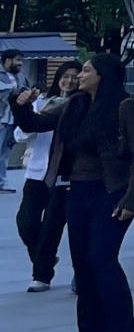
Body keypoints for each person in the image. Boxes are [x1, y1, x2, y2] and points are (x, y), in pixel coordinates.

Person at [10, 54, 134, 332]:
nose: (79, 75)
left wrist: (132, 199)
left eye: (86, 70)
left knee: (102, 257)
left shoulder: (126, 107)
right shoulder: (75, 104)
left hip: (111, 192)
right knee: (82, 261)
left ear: (103, 76)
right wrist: (19, 105)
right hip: (77, 190)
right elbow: (37, 123)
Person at [14, 61, 78, 290]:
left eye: (74, 76)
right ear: (58, 78)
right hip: (37, 172)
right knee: (26, 222)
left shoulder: (79, 105)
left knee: (52, 225)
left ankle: (41, 275)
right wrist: (35, 113)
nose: (69, 81)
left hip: (63, 174)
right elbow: (20, 135)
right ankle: (46, 259)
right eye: (65, 76)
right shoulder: (42, 102)